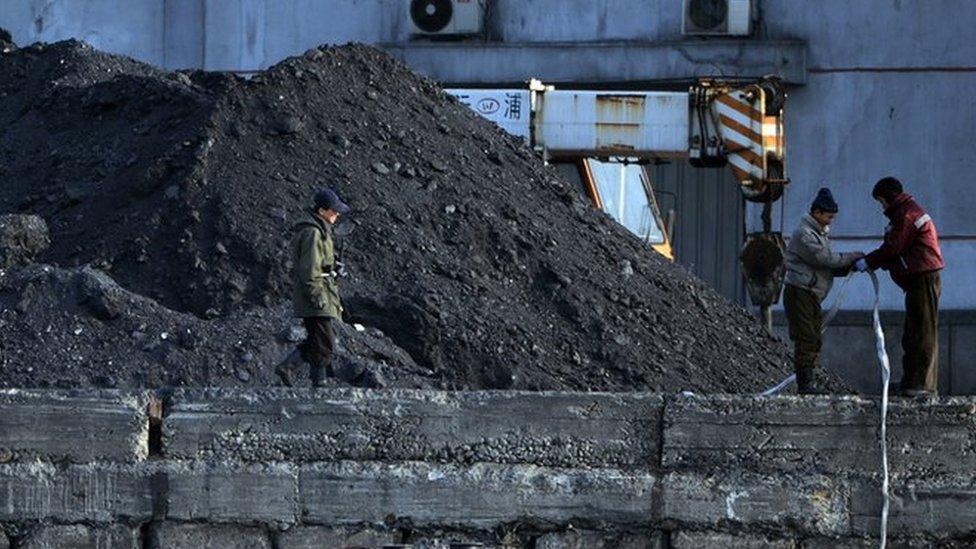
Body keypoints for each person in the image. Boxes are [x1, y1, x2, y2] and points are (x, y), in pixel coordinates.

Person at [854, 177, 944, 396]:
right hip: (919, 277)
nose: (882, 207)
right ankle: (912, 382)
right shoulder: (905, 212)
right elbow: (896, 249)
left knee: (922, 332)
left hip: (923, 277)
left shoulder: (906, 215)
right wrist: (878, 261)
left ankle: (922, 385)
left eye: (881, 202)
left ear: (889, 198)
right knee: (913, 332)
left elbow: (893, 247)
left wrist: (869, 261)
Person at [783, 188, 862, 394]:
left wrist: (846, 267)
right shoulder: (805, 234)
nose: (831, 220)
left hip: (810, 294)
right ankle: (806, 385)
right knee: (807, 338)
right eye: (828, 216)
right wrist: (850, 257)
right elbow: (823, 259)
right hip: (801, 293)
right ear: (817, 213)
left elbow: (821, 266)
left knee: (813, 338)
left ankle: (809, 382)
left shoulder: (818, 234)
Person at [276, 188, 351, 387]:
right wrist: (317, 295)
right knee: (325, 341)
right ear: (322, 210)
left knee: (318, 339)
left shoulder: (319, 230)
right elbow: (309, 268)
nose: (337, 214)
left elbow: (320, 263)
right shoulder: (313, 233)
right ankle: (319, 382)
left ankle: (289, 367)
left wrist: (334, 268)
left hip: (322, 291)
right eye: (334, 210)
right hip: (316, 294)